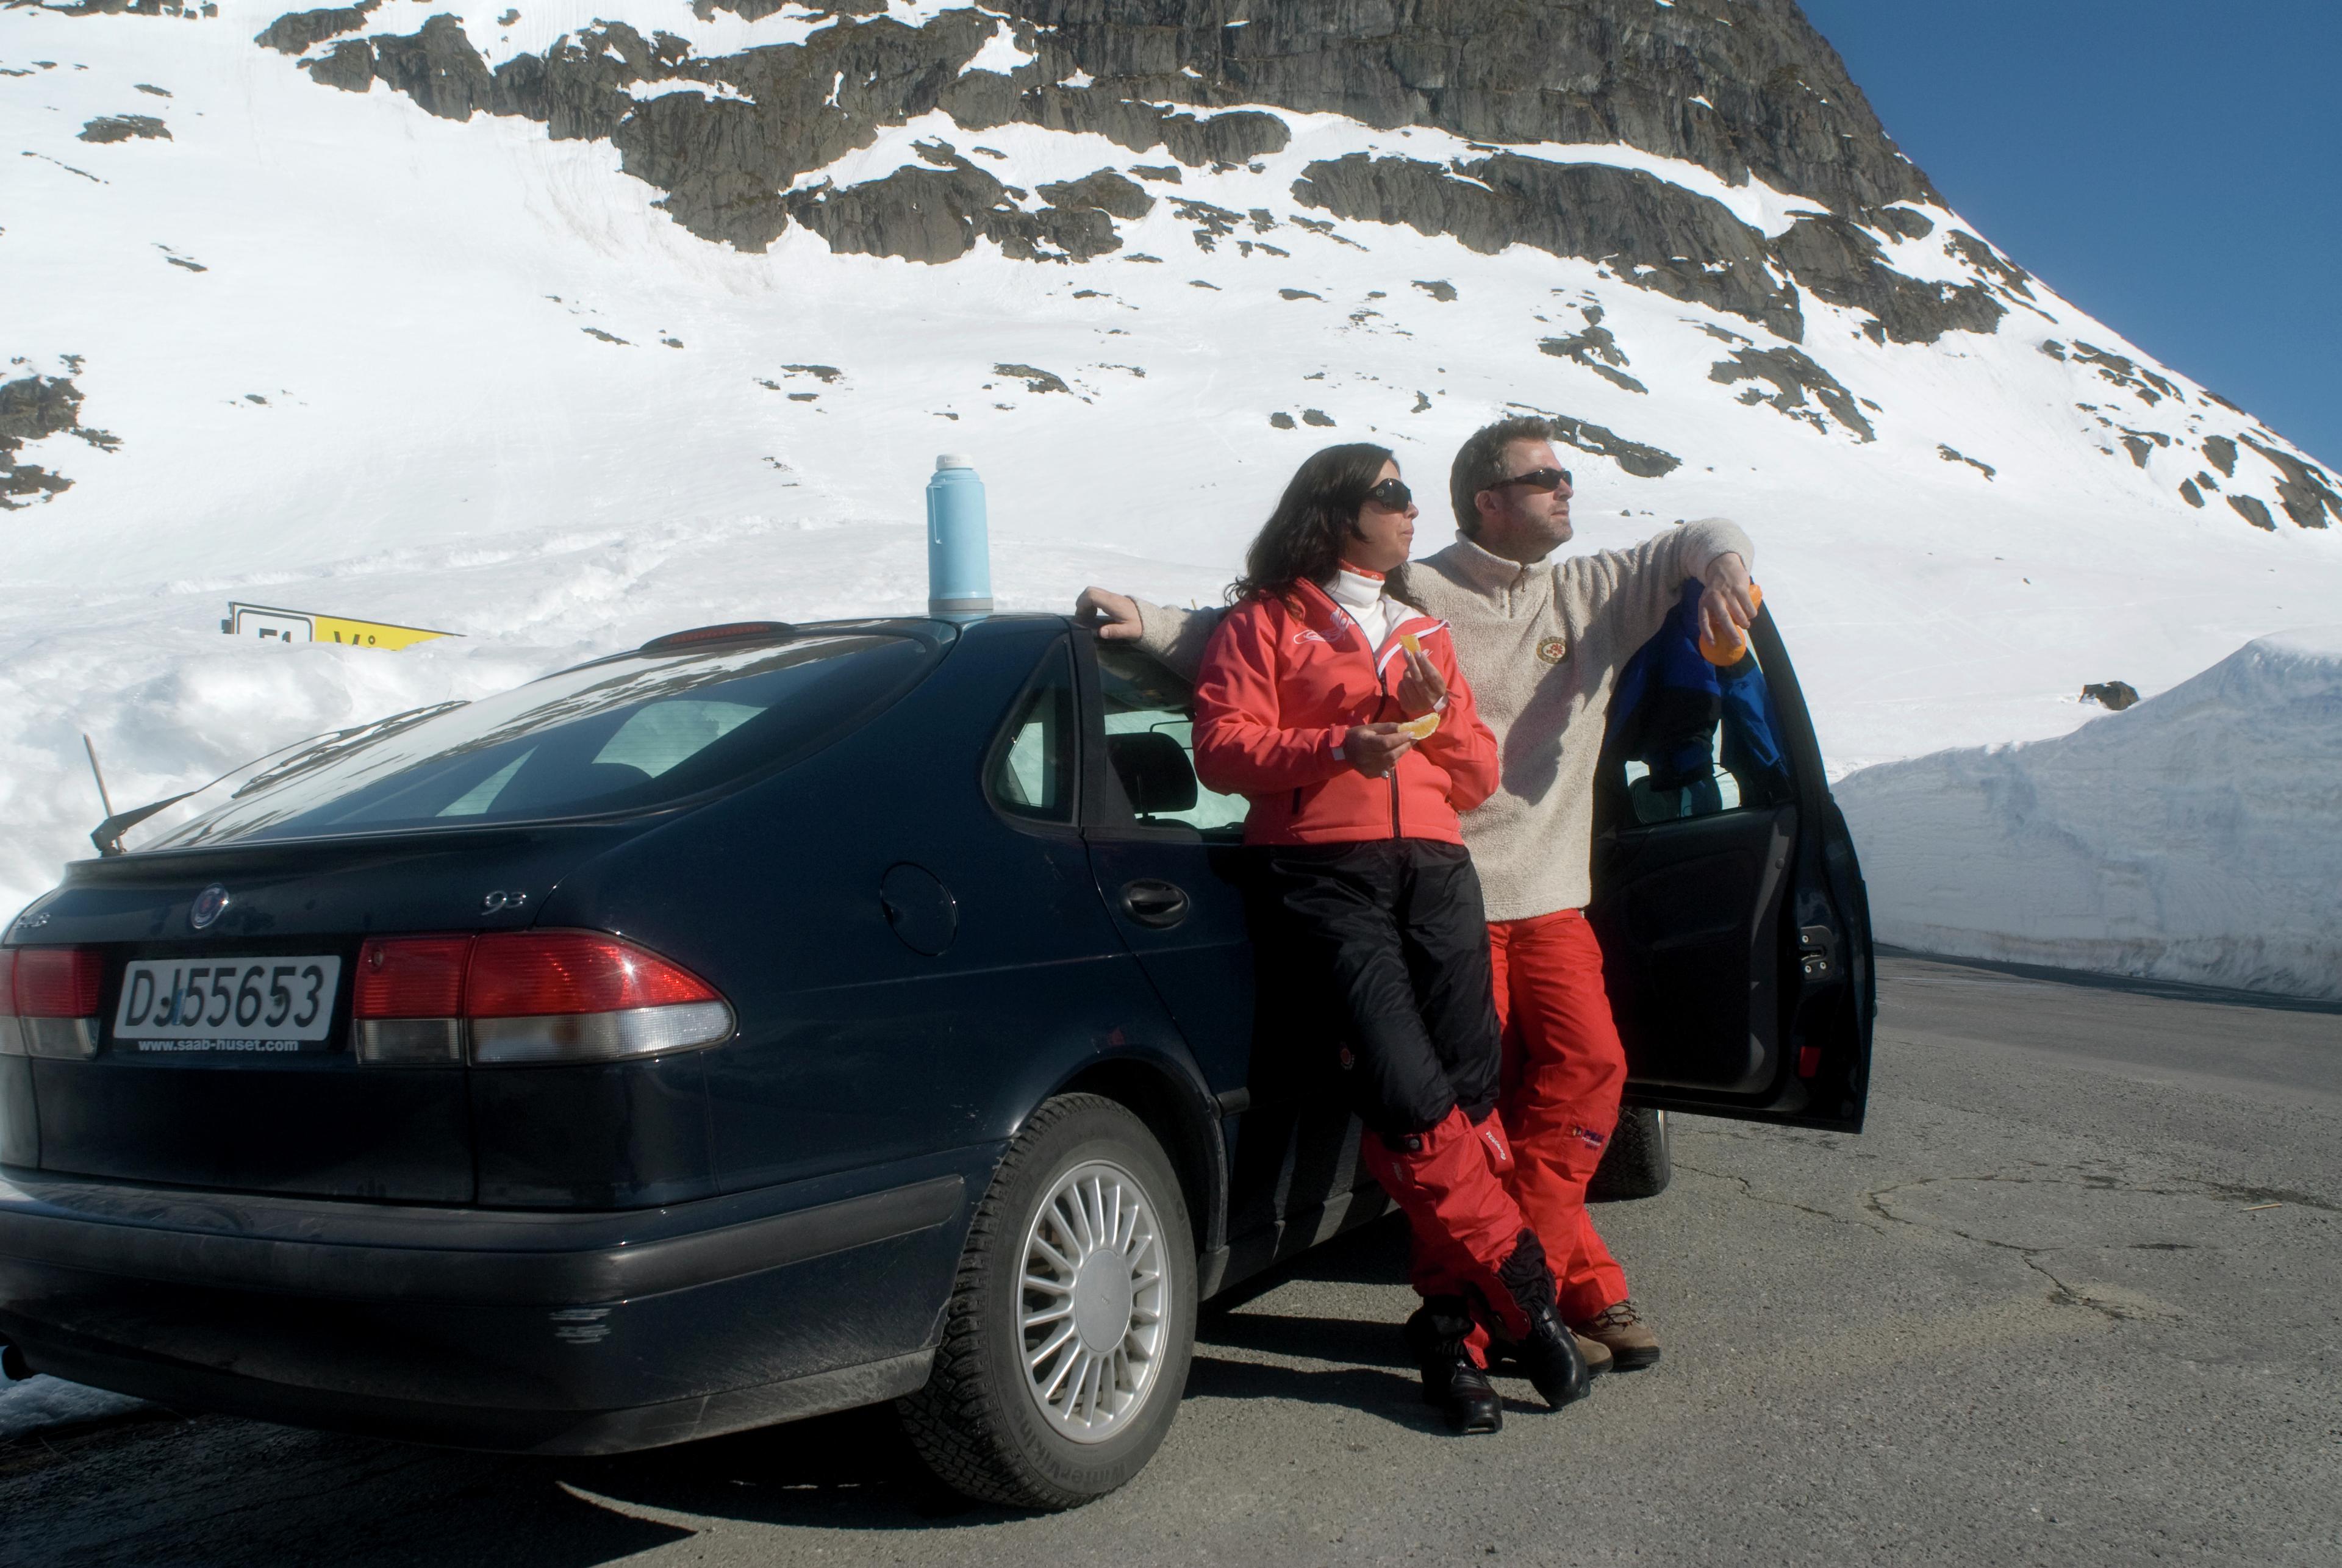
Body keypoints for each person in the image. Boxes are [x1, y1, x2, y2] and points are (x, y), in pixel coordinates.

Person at [1079, 415, 1759, 1373]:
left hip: (1550, 889)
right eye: (1545, 478)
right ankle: (1523, 1311)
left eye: (1567, 476)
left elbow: (1695, 537)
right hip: (1451, 884)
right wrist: (1149, 624)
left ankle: (1542, 1282)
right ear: (1489, 499)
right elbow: (1266, 634)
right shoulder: (1416, 587)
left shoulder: (1591, 591)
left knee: (1590, 1071)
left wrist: (1726, 562)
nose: (1567, 490)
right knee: (1456, 1106)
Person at [1191, 442, 1589, 1434]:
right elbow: (1219, 749)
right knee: (1407, 1098)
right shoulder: (1264, 621)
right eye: (1394, 494)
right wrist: (1339, 744)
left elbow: (1475, 777)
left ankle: (1449, 1328)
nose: (1415, 510)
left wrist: (1431, 717)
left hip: (1440, 870)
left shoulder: (1421, 629)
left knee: (1470, 1091)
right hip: (1326, 870)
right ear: (1334, 514)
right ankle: (1526, 1294)